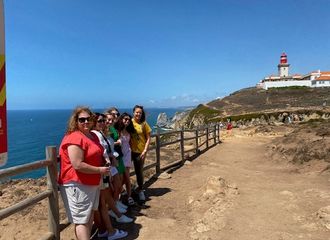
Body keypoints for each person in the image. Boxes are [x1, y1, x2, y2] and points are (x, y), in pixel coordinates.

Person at [58, 107, 109, 240]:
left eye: (88, 119)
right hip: (77, 184)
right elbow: (77, 164)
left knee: (88, 218)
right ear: (75, 121)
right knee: (82, 221)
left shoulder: (91, 136)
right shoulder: (74, 137)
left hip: (91, 183)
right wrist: (99, 170)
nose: (86, 121)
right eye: (82, 119)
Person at [91, 113, 128, 239]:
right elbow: (101, 151)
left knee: (105, 196)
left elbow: (104, 150)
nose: (103, 123)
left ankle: (109, 225)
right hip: (103, 170)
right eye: (100, 121)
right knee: (103, 198)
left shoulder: (100, 133)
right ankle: (111, 224)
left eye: (103, 120)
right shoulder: (96, 134)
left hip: (106, 168)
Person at [130, 105, 152, 201]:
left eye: (140, 112)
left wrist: (145, 150)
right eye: (137, 112)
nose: (138, 114)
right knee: (124, 172)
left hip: (140, 152)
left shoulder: (144, 124)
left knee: (139, 172)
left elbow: (148, 138)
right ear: (133, 112)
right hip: (130, 152)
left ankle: (140, 190)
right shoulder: (129, 122)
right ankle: (126, 191)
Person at [115, 112, 136, 205]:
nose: (127, 121)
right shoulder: (117, 131)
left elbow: (130, 143)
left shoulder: (129, 131)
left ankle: (129, 196)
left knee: (127, 177)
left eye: (128, 119)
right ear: (121, 119)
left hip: (127, 155)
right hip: (120, 157)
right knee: (120, 178)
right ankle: (120, 196)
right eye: (125, 119)